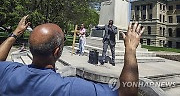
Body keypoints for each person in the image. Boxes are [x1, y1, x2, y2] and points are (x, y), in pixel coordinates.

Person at [0, 15, 144, 96]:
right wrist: (130, 49)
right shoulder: (68, 88)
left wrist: (15, 34)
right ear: (57, 52)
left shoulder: (9, 71)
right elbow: (126, 93)